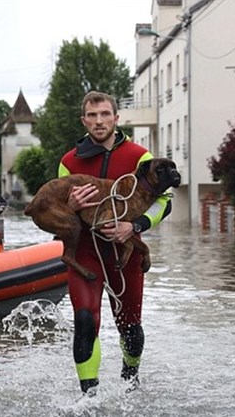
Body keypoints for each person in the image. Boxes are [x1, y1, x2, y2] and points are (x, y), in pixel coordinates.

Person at [58, 91, 173, 394]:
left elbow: (165, 202)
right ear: (84, 120)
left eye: (105, 114)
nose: (99, 121)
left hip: (125, 252)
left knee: (130, 327)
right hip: (85, 254)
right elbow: (56, 210)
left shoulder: (141, 157)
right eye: (92, 115)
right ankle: (89, 396)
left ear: (116, 118)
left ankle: (130, 376)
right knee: (85, 319)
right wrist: (69, 205)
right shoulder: (68, 162)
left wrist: (133, 226)